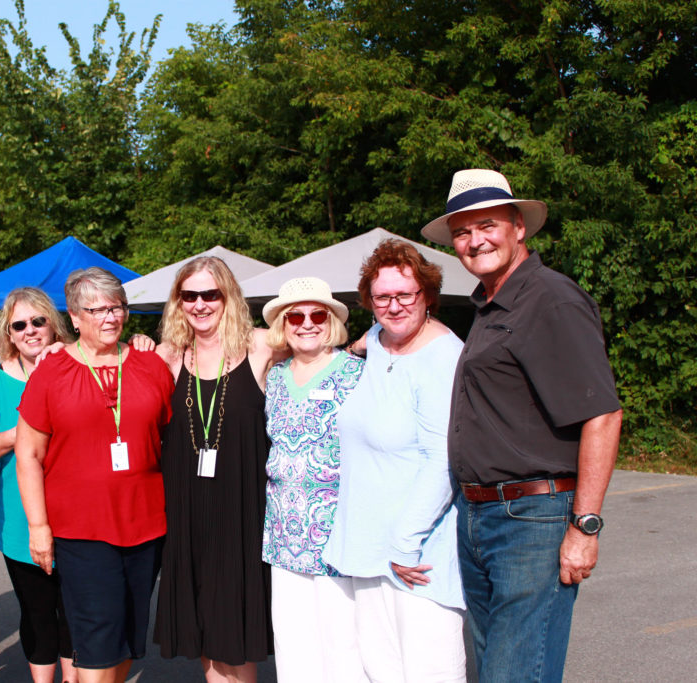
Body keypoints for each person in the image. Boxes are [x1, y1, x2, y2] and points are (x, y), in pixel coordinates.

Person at [420, 169, 623, 682]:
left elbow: (602, 414)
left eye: (487, 225)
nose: (474, 240)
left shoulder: (550, 298)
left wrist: (585, 526)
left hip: (530, 518)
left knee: (515, 674)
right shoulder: (489, 304)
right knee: (495, 670)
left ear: (518, 227)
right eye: (463, 232)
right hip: (481, 516)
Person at [15, 267, 174, 683]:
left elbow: (170, 443)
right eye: (98, 309)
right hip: (81, 531)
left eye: (117, 307)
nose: (110, 317)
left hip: (146, 527)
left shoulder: (150, 366)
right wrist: (38, 527)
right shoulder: (50, 372)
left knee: (127, 638)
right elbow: (28, 454)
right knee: (98, 637)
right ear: (74, 316)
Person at [324, 239, 467, 681]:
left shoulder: (444, 356)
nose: (395, 305)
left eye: (406, 295)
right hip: (369, 549)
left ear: (427, 296)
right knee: (381, 669)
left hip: (416, 555)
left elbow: (443, 459)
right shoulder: (379, 343)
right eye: (383, 297)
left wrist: (405, 543)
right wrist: (357, 348)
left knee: (429, 670)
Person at [153, 255, 281, 683]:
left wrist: (374, 340)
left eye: (211, 294)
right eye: (189, 295)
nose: (200, 304)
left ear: (229, 296)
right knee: (205, 624)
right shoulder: (168, 356)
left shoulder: (260, 346)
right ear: (177, 302)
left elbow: (319, 337)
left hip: (240, 511)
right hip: (187, 512)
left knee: (235, 626)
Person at [0, 287, 77, 683]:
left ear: (53, 324)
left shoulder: (78, 365)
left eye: (38, 321)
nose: (30, 330)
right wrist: (22, 434)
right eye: (19, 325)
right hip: (17, 517)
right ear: (8, 334)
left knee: (74, 609)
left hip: (75, 510)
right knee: (37, 610)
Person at [259, 277, 365, 683]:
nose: (306, 323)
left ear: (332, 321)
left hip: (338, 532)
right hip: (284, 532)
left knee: (343, 642)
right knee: (292, 641)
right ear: (282, 325)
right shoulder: (274, 376)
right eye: (295, 316)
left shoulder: (357, 374)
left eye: (317, 314)